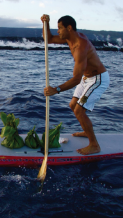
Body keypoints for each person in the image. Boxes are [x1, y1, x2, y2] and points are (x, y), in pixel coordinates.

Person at [41, 14, 109, 155]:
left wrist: (56, 89)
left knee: (79, 110)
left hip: (97, 80)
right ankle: (86, 131)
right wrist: (45, 23)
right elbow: (48, 39)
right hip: (86, 79)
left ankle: (94, 145)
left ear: (69, 28)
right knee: (73, 105)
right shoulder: (69, 38)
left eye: (60, 28)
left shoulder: (80, 46)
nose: (58, 31)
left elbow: (76, 79)